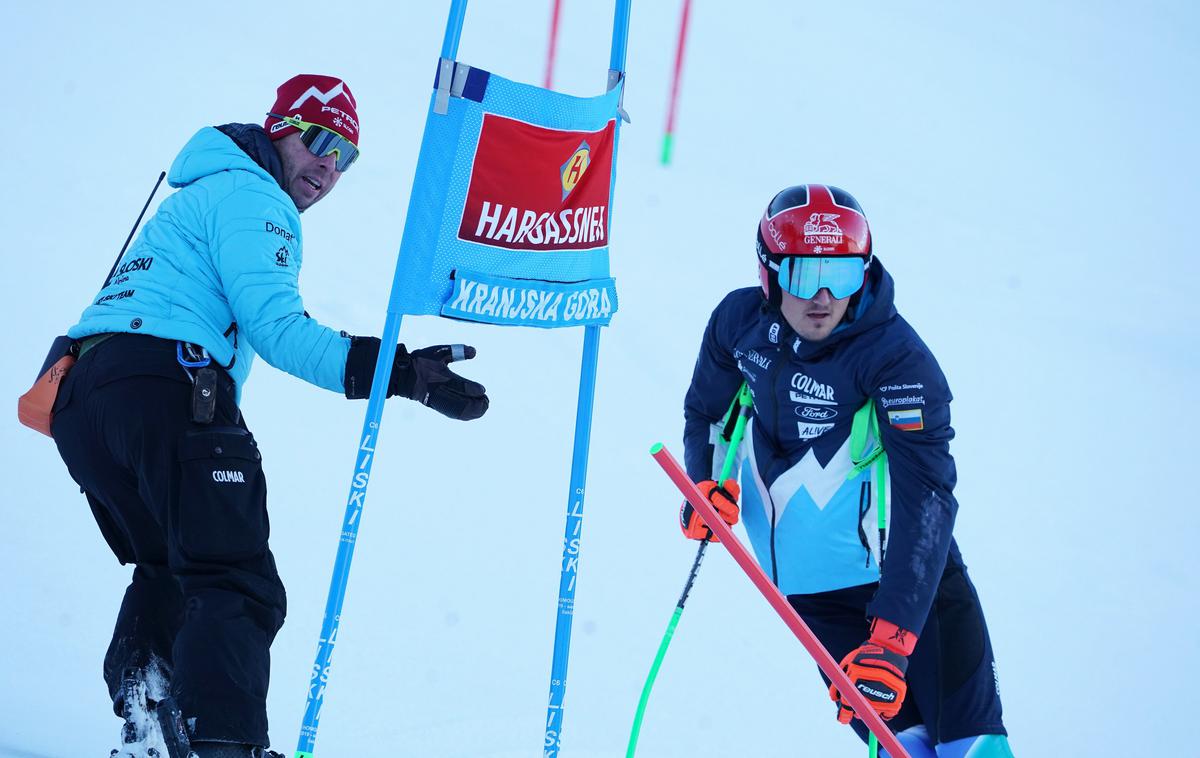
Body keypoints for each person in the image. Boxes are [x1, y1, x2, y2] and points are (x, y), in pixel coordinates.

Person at [50, 74, 489, 758]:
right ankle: (219, 744)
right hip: (168, 382)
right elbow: (280, 331)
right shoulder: (256, 197)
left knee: (173, 565)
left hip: (83, 403)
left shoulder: (201, 194)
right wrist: (400, 372)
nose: (327, 165)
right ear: (278, 127)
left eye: (346, 156)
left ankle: (148, 721)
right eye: (317, 140)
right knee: (235, 578)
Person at [681, 184, 1013, 757]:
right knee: (901, 751)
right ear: (768, 272)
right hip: (814, 596)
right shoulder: (738, 323)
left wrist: (892, 638)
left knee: (973, 752)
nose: (825, 298)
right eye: (806, 276)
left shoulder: (897, 359)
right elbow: (710, 412)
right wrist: (707, 483)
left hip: (910, 592)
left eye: (845, 275)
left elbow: (927, 499)